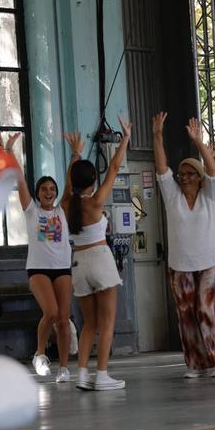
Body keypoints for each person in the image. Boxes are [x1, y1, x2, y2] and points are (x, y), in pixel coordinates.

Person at [153, 113, 215, 378]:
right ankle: (196, 363)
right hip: (179, 265)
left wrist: (199, 142)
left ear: (199, 178)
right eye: (182, 174)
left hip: (211, 262)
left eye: (190, 173)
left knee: (206, 308)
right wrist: (157, 136)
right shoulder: (172, 196)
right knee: (186, 315)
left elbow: (213, 170)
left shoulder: (210, 196)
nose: (184, 177)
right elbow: (161, 168)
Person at [0, 126, 74, 383]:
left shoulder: (62, 211)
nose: (48, 192)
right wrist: (7, 150)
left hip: (62, 267)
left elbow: (71, 186)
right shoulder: (31, 212)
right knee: (50, 312)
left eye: (52, 189)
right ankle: (39, 355)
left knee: (63, 318)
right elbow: (20, 179)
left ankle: (63, 368)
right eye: (44, 189)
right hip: (38, 268)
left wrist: (75, 155)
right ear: (38, 194)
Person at [62, 116, 132, 391]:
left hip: (77, 263)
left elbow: (70, 181)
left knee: (89, 322)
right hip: (100, 259)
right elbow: (114, 166)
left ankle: (82, 374)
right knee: (108, 321)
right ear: (92, 180)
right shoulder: (95, 202)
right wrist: (125, 138)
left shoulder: (66, 204)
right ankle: (102, 374)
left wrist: (75, 154)